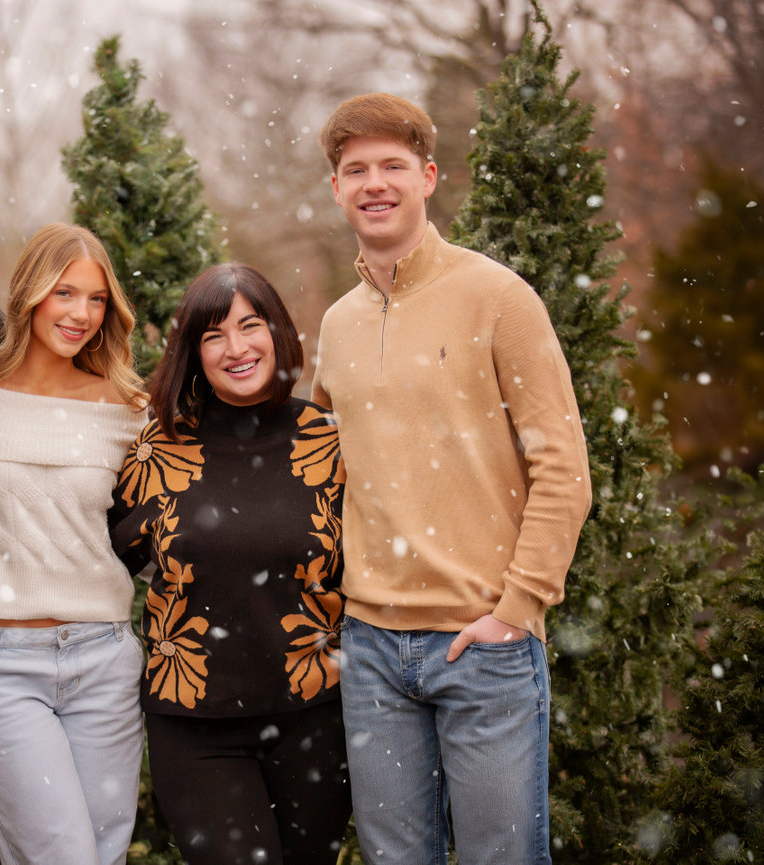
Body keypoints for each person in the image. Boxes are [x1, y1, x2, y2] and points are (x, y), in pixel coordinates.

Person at [311, 93, 592, 865]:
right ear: (335, 188)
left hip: (483, 645)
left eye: (393, 165)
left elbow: (563, 468)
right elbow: (322, 474)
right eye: (355, 169)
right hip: (371, 650)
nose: (375, 182)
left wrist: (516, 608)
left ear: (428, 176)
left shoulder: (498, 298)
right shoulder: (335, 326)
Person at [109, 263, 353, 865]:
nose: (236, 348)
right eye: (213, 334)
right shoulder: (154, 446)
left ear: (278, 332)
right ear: (192, 351)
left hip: (316, 719)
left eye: (250, 326)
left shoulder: (330, 439)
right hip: (195, 725)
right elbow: (115, 552)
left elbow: (363, 564)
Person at [0, 223, 146, 865]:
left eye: (96, 300)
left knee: (102, 852)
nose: (82, 314)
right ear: (30, 294)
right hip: (0, 662)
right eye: (66, 294)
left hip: (104, 658)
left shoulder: (126, 409)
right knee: (64, 854)